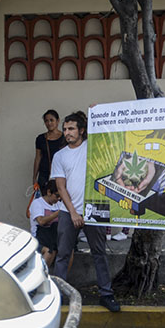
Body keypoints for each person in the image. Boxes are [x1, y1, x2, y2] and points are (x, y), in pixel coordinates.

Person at [50, 111, 120, 312]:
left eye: (71, 129)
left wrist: (98, 113)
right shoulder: (60, 155)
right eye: (65, 129)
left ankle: (106, 295)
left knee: (100, 253)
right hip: (67, 211)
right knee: (63, 254)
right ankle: (59, 296)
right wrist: (73, 212)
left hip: (94, 209)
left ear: (82, 130)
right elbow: (61, 187)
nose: (67, 133)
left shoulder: (94, 148)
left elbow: (109, 136)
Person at [32, 109, 67, 192]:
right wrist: (34, 177)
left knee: (59, 198)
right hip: (44, 174)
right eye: (46, 121)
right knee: (45, 199)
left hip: (60, 173)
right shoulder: (40, 138)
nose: (49, 123)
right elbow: (37, 158)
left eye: (52, 120)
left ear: (58, 121)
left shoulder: (65, 137)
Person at [29, 180, 60, 267]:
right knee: (49, 250)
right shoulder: (37, 203)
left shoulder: (58, 204)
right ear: (49, 192)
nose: (58, 199)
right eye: (56, 196)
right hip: (40, 238)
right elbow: (41, 221)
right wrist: (57, 213)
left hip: (53, 238)